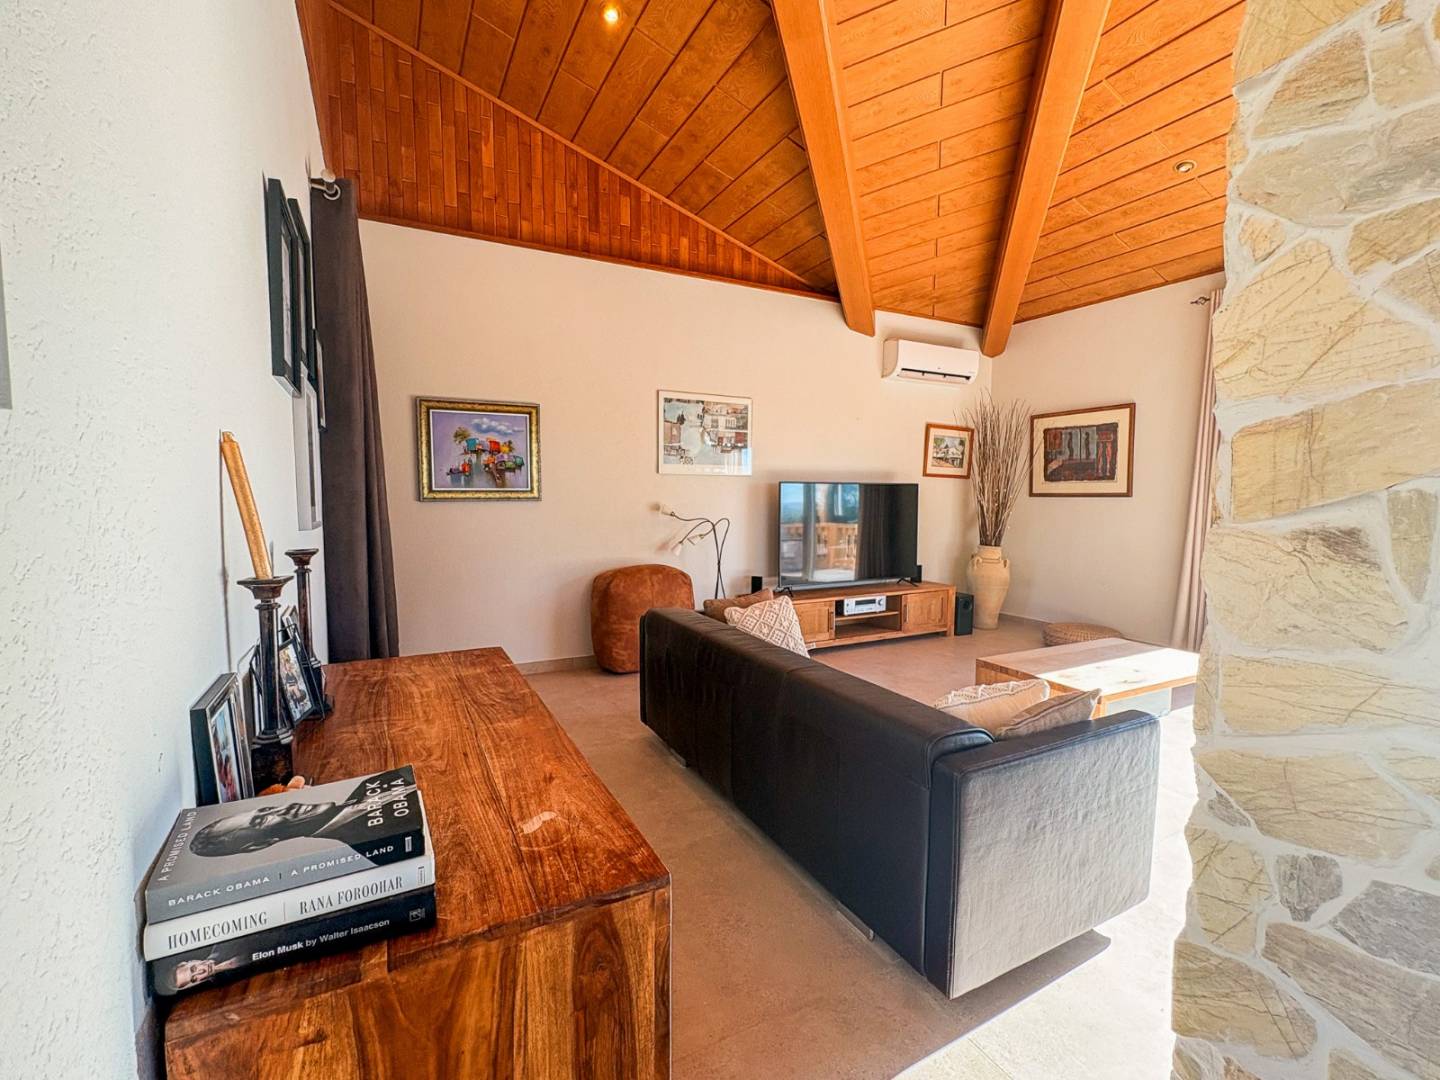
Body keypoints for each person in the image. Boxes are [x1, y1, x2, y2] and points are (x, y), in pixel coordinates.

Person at [189, 769, 417, 857]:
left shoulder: (369, 785)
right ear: (260, 844)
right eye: (262, 820)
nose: (284, 807)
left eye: (267, 808)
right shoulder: (371, 846)